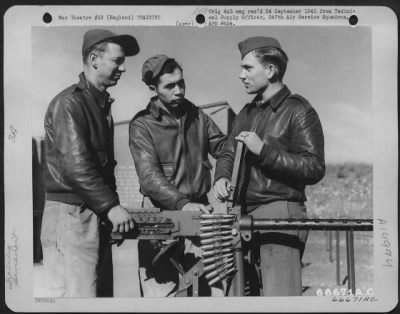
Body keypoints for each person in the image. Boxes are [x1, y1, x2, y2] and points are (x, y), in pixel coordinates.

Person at [214, 36, 325, 296]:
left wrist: (264, 151)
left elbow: (314, 167)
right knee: (240, 298)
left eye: (247, 68)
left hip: (279, 216)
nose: (240, 75)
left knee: (280, 299)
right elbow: (228, 153)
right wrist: (221, 176)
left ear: (271, 70)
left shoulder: (299, 110)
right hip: (241, 217)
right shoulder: (246, 113)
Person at [41, 29, 139, 297]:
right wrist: (111, 206)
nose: (123, 68)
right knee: (78, 298)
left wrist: (107, 208)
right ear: (95, 60)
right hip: (72, 213)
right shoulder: (70, 103)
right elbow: (76, 166)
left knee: (96, 298)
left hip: (90, 211)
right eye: (117, 61)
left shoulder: (98, 104)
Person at [129, 54, 227, 297]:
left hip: (200, 211)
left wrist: (222, 175)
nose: (179, 91)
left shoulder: (199, 117)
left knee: (210, 290)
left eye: (181, 83)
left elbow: (226, 149)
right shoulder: (142, 125)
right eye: (170, 86)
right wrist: (183, 204)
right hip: (159, 214)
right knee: (162, 294)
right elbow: (149, 177)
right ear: (153, 88)